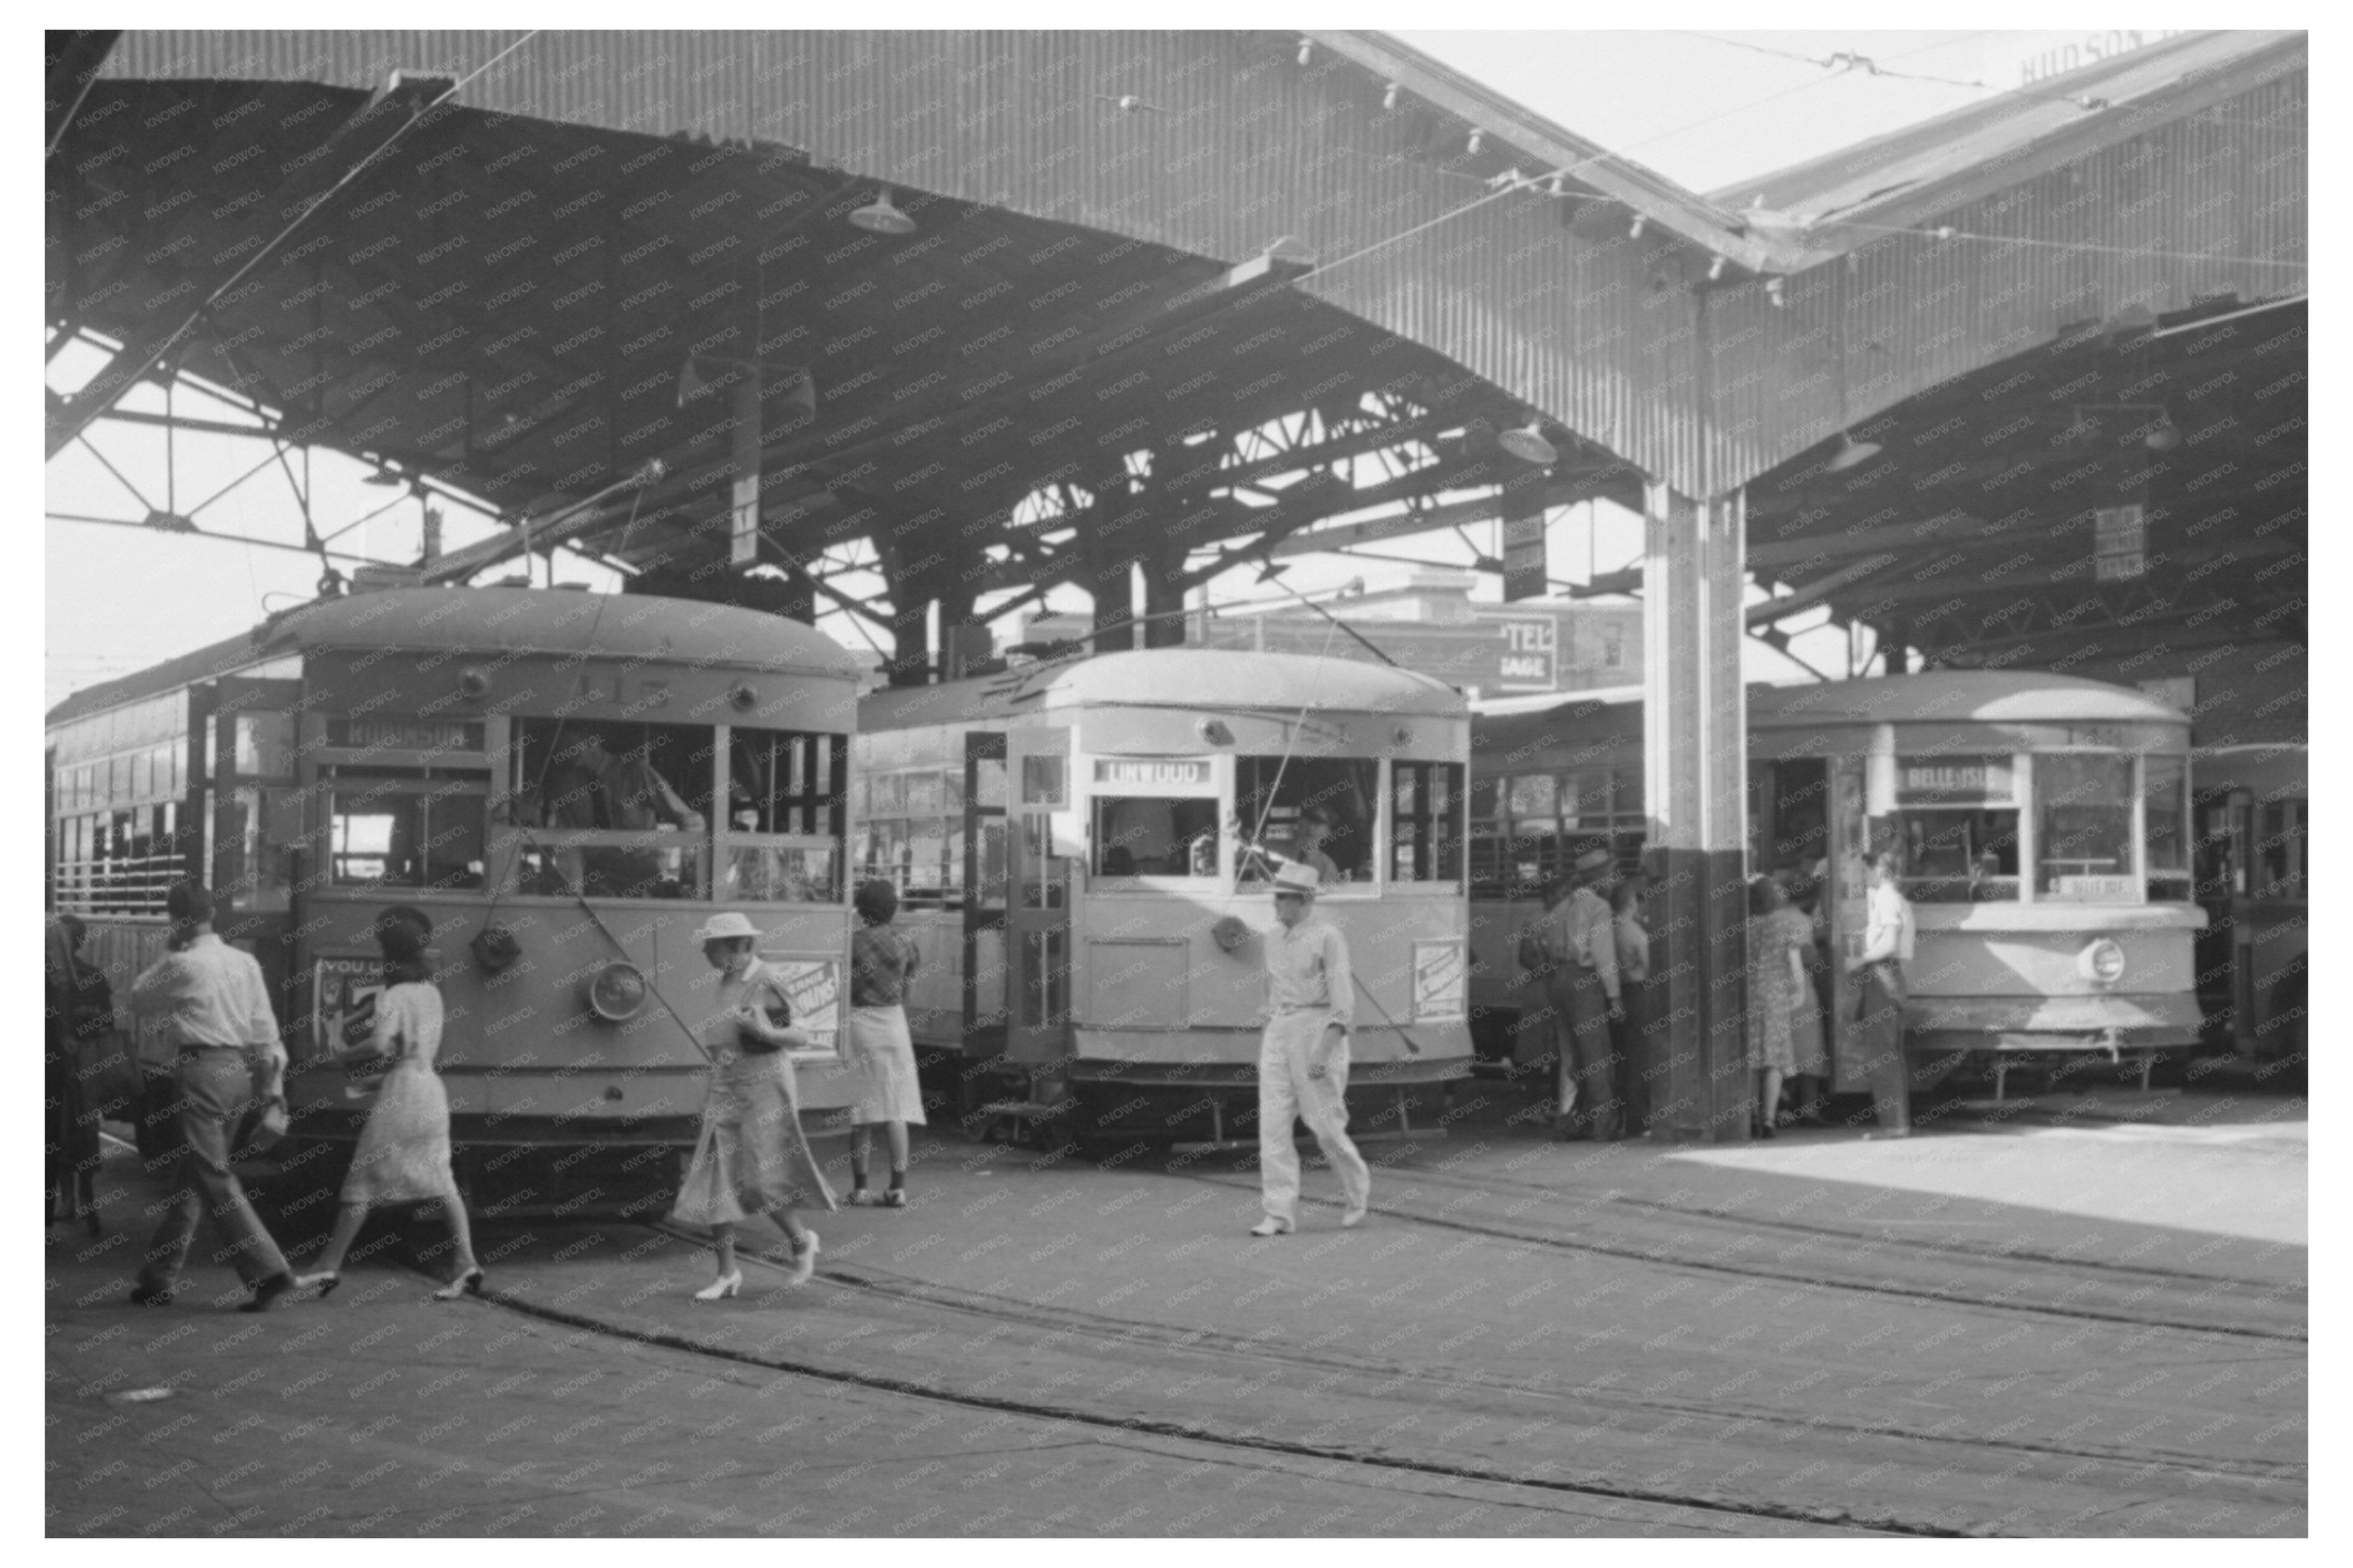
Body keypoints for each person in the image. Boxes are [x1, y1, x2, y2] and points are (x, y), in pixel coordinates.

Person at [126, 883, 299, 1311]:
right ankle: (157, 1278)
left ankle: (270, 1270)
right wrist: (274, 1096)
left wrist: (170, 950)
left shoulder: (184, 964)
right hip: (239, 1074)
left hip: (201, 1073)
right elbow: (267, 1035)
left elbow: (138, 999)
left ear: (176, 919)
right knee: (193, 1176)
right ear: (212, 913)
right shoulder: (245, 962)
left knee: (214, 1175)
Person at [294, 911, 484, 1301]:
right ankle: (466, 1263)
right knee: (441, 1180)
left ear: (389, 955)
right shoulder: (432, 992)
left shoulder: (395, 995)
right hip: (430, 1089)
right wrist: (379, 1078)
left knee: (361, 1180)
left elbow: (381, 1045)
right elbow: (414, 1054)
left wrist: (344, 1053)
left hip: (404, 1096)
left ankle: (328, 1265)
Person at [672, 912, 833, 1299]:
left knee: (762, 1177)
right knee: (718, 1179)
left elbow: (801, 1034)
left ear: (741, 947)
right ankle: (727, 1273)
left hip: (764, 1087)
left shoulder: (765, 980)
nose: (706, 952)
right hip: (727, 1085)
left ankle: (800, 1239)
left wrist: (763, 1031)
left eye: (712, 946)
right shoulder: (728, 979)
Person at [1250, 863, 1370, 1236]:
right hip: (1280, 1029)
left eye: (1282, 899)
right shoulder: (1272, 938)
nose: (1276, 906)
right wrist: (1269, 1020)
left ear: (1303, 901)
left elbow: (1343, 1002)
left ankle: (1356, 1192)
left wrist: (1324, 1050)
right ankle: (1279, 1213)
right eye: (1275, 898)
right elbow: (1271, 988)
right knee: (1272, 1124)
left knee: (1325, 1126)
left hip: (1317, 1030)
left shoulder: (1328, 937)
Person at [541, 726, 706, 896]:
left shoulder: (636, 773)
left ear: (592, 741)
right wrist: (574, 894)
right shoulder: (566, 785)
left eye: (569, 745)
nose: (563, 751)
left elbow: (692, 822)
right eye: (561, 746)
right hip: (598, 874)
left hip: (641, 871)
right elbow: (570, 843)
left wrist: (688, 865)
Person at [1535, 845, 1625, 1140]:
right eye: (1611, 874)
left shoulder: (1560, 908)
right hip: (1585, 981)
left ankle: (1567, 1121)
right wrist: (1614, 996)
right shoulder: (1599, 907)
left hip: (1560, 980)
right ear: (1599, 879)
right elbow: (1603, 955)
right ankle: (1603, 1126)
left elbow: (1547, 948)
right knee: (1597, 1054)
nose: (1614, 880)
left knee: (1568, 1056)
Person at [846, 879, 926, 1206]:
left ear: (861, 909)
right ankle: (897, 1188)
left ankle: (861, 1187)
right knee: (897, 1108)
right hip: (893, 1024)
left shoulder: (850, 943)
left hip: (859, 1024)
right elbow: (907, 992)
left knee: (861, 1108)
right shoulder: (906, 945)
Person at [1855, 849, 1917, 1136]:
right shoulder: (1897, 899)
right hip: (1894, 975)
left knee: (1881, 1054)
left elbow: (1889, 943)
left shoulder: (1886, 898)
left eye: (1865, 870)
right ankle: (1898, 1122)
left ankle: (1893, 1125)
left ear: (1878, 871)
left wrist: (1857, 960)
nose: (1862, 876)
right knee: (1891, 1053)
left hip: (1883, 972)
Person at [1744, 878, 1806, 1139]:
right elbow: (1795, 963)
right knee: (1774, 1060)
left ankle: (1748, 1117)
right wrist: (1800, 992)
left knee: (1750, 1059)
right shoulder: (1784, 925)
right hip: (1776, 995)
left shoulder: (1744, 927)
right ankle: (1768, 1121)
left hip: (1748, 995)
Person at [1774, 870, 1831, 1125]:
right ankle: (1810, 1109)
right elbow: (1806, 957)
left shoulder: (1768, 918)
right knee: (1810, 1050)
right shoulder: (1799, 920)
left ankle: (1779, 1108)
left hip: (1774, 991)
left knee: (1781, 1053)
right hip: (1799, 991)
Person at [1610, 875, 1653, 1135]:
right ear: (1631, 903)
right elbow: (1651, 970)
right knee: (1640, 1060)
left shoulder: (1608, 929)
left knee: (1621, 1059)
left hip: (1617, 994)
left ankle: (1620, 1118)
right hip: (1638, 995)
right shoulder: (1635, 933)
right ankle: (1639, 1121)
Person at [1290, 803, 1345, 884]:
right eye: (1308, 821)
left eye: (1318, 824)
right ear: (1300, 822)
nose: (1311, 828)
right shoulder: (1273, 853)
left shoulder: (1326, 866)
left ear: (1328, 832)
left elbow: (1329, 895)